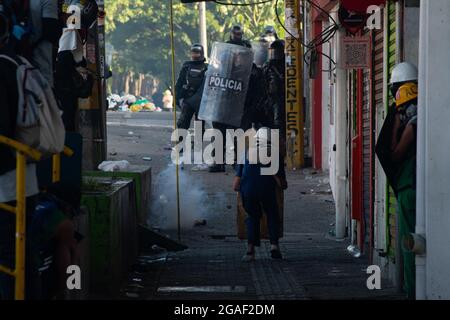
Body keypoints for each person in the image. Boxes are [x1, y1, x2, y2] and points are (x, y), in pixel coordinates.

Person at [0, 11, 41, 300]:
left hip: (5, 180)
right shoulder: (19, 63)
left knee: (9, 255)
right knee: (23, 249)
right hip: (24, 175)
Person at [389, 63, 418, 299]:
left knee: (409, 244)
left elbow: (395, 154)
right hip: (425, 189)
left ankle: (413, 290)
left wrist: (396, 127)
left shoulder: (412, 125)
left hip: (410, 191)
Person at [233, 128, 285, 261]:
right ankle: (274, 246)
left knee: (252, 217)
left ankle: (250, 251)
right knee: (272, 215)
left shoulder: (245, 154)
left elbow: (236, 184)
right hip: (267, 190)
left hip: (248, 191)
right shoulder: (275, 155)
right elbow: (282, 184)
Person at [175, 43, 208, 130]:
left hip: (201, 101)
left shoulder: (207, 68)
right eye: (193, 52)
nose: (195, 55)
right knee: (182, 123)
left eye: (197, 52)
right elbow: (179, 83)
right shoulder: (186, 66)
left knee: (199, 126)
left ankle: (197, 143)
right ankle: (181, 142)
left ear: (201, 53)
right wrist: (176, 97)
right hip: (188, 98)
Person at [30, 0, 62, 87]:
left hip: (15, 60)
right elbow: (51, 33)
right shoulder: (49, 1)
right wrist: (62, 21)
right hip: (40, 66)